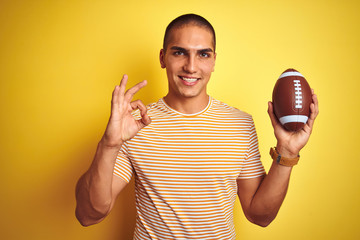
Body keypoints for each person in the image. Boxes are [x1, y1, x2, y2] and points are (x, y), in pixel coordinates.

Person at [75, 14, 319, 239]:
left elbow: (259, 216)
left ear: (214, 61)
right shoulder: (135, 124)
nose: (191, 67)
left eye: (203, 54)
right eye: (179, 52)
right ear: (163, 58)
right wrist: (109, 144)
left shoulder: (240, 123)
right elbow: (88, 215)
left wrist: (287, 154)